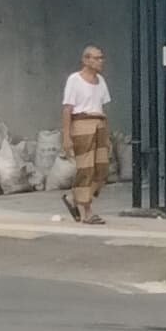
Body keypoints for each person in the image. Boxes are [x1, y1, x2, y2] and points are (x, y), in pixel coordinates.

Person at [61, 46, 114, 223]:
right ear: (86, 60)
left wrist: (107, 134)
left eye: (101, 58)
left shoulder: (101, 81)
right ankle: (87, 211)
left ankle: (73, 198)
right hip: (82, 124)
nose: (100, 61)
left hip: (99, 123)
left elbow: (103, 107)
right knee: (86, 168)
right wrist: (66, 136)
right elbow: (67, 109)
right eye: (96, 58)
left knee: (102, 168)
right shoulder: (74, 80)